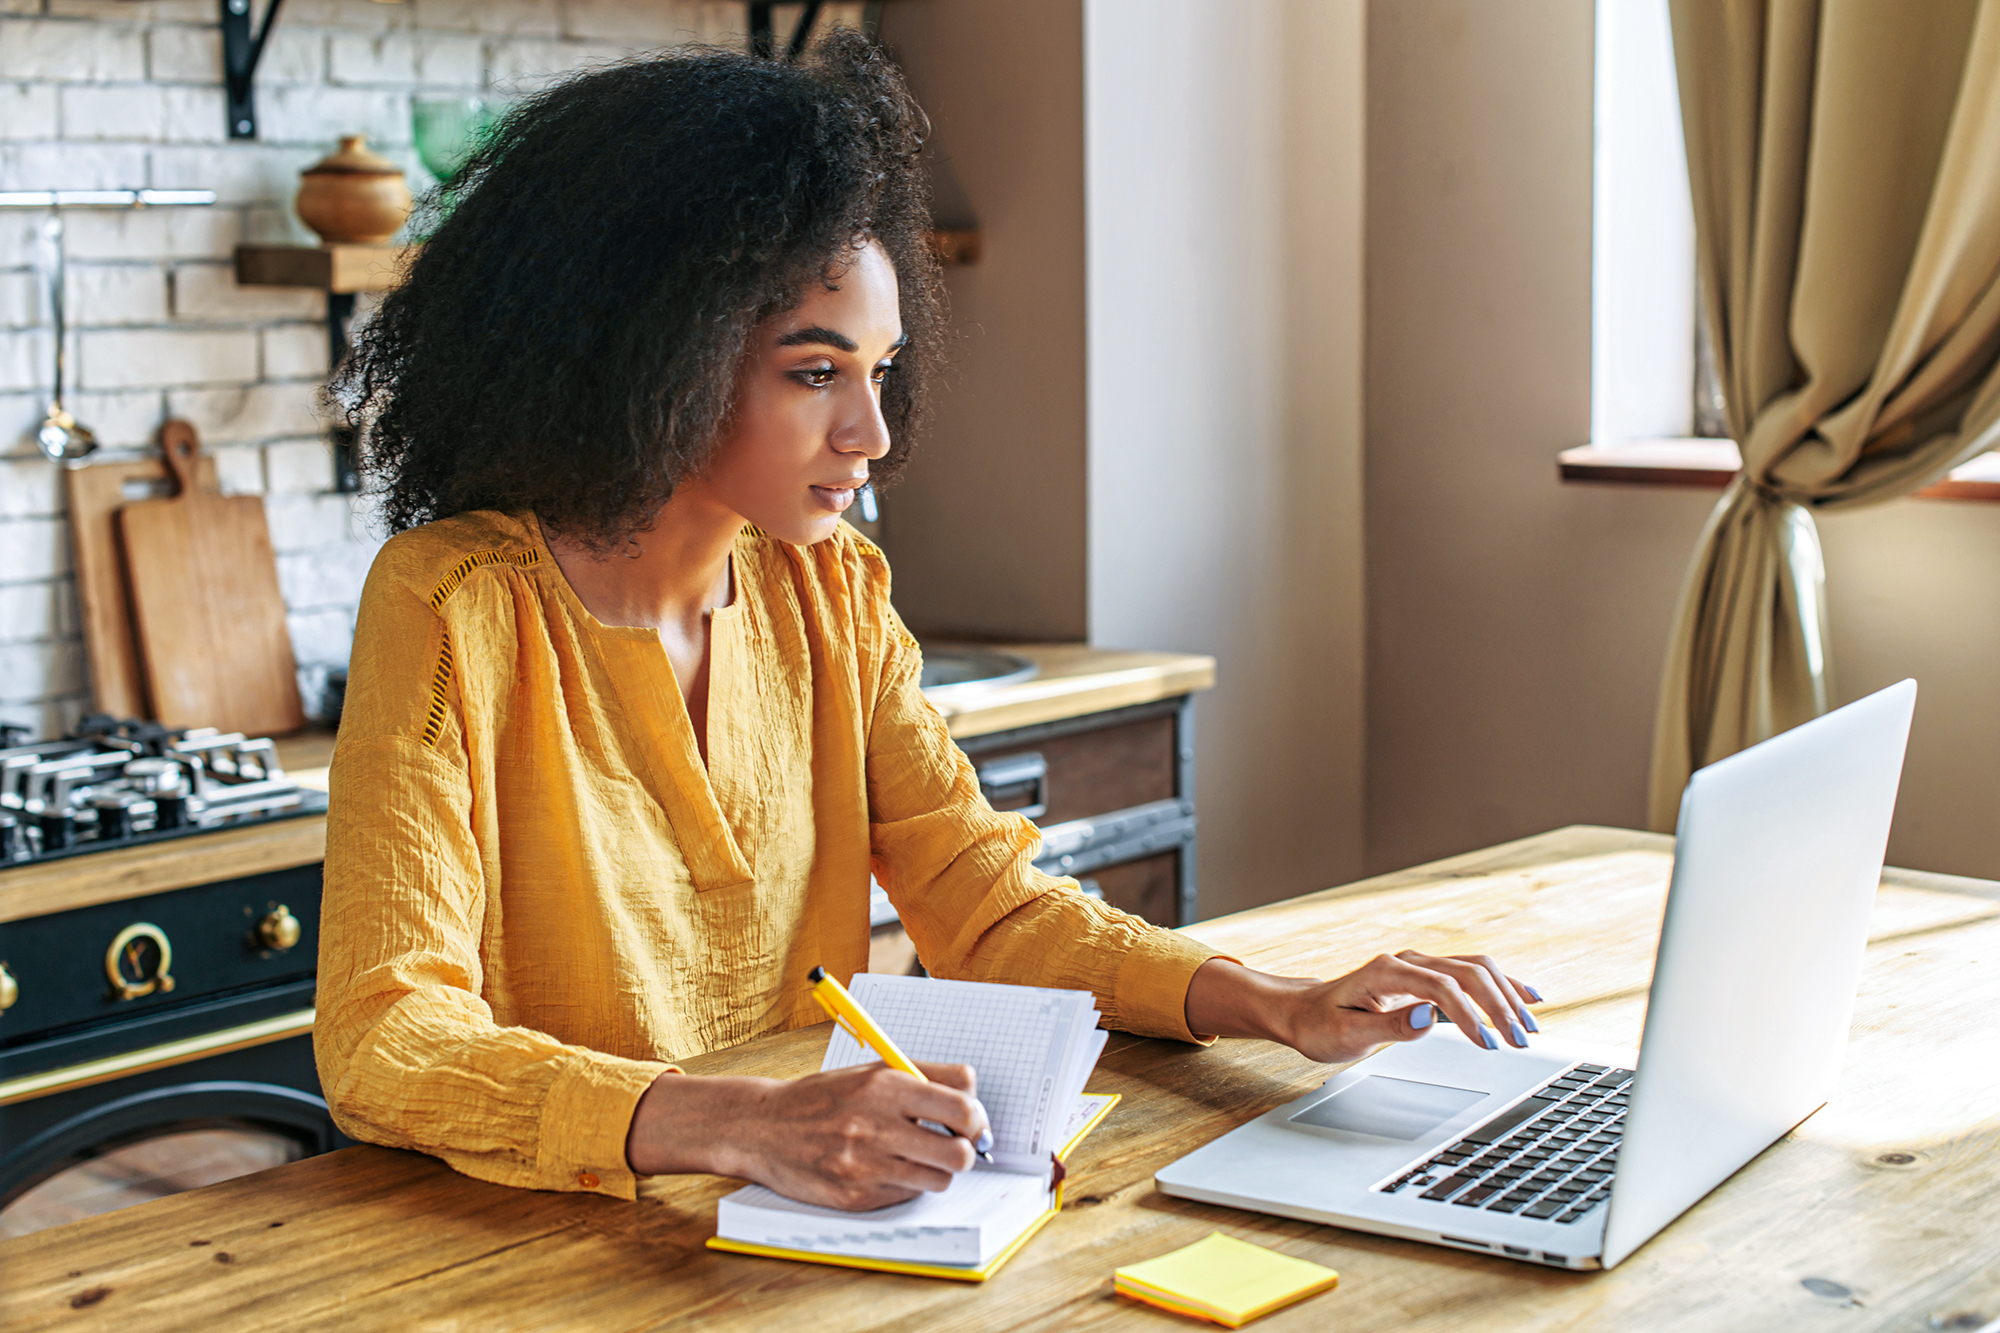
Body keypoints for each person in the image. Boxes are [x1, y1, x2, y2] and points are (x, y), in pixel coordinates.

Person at [317, 32, 1544, 1214]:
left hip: (818, 1223)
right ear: (648, 357)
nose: (871, 433)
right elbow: (388, 1035)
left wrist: (1276, 1002)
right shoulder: (452, 605)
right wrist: (740, 1123)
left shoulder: (830, 589)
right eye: (813, 373)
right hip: (541, 1250)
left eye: (879, 368)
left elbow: (987, 906)